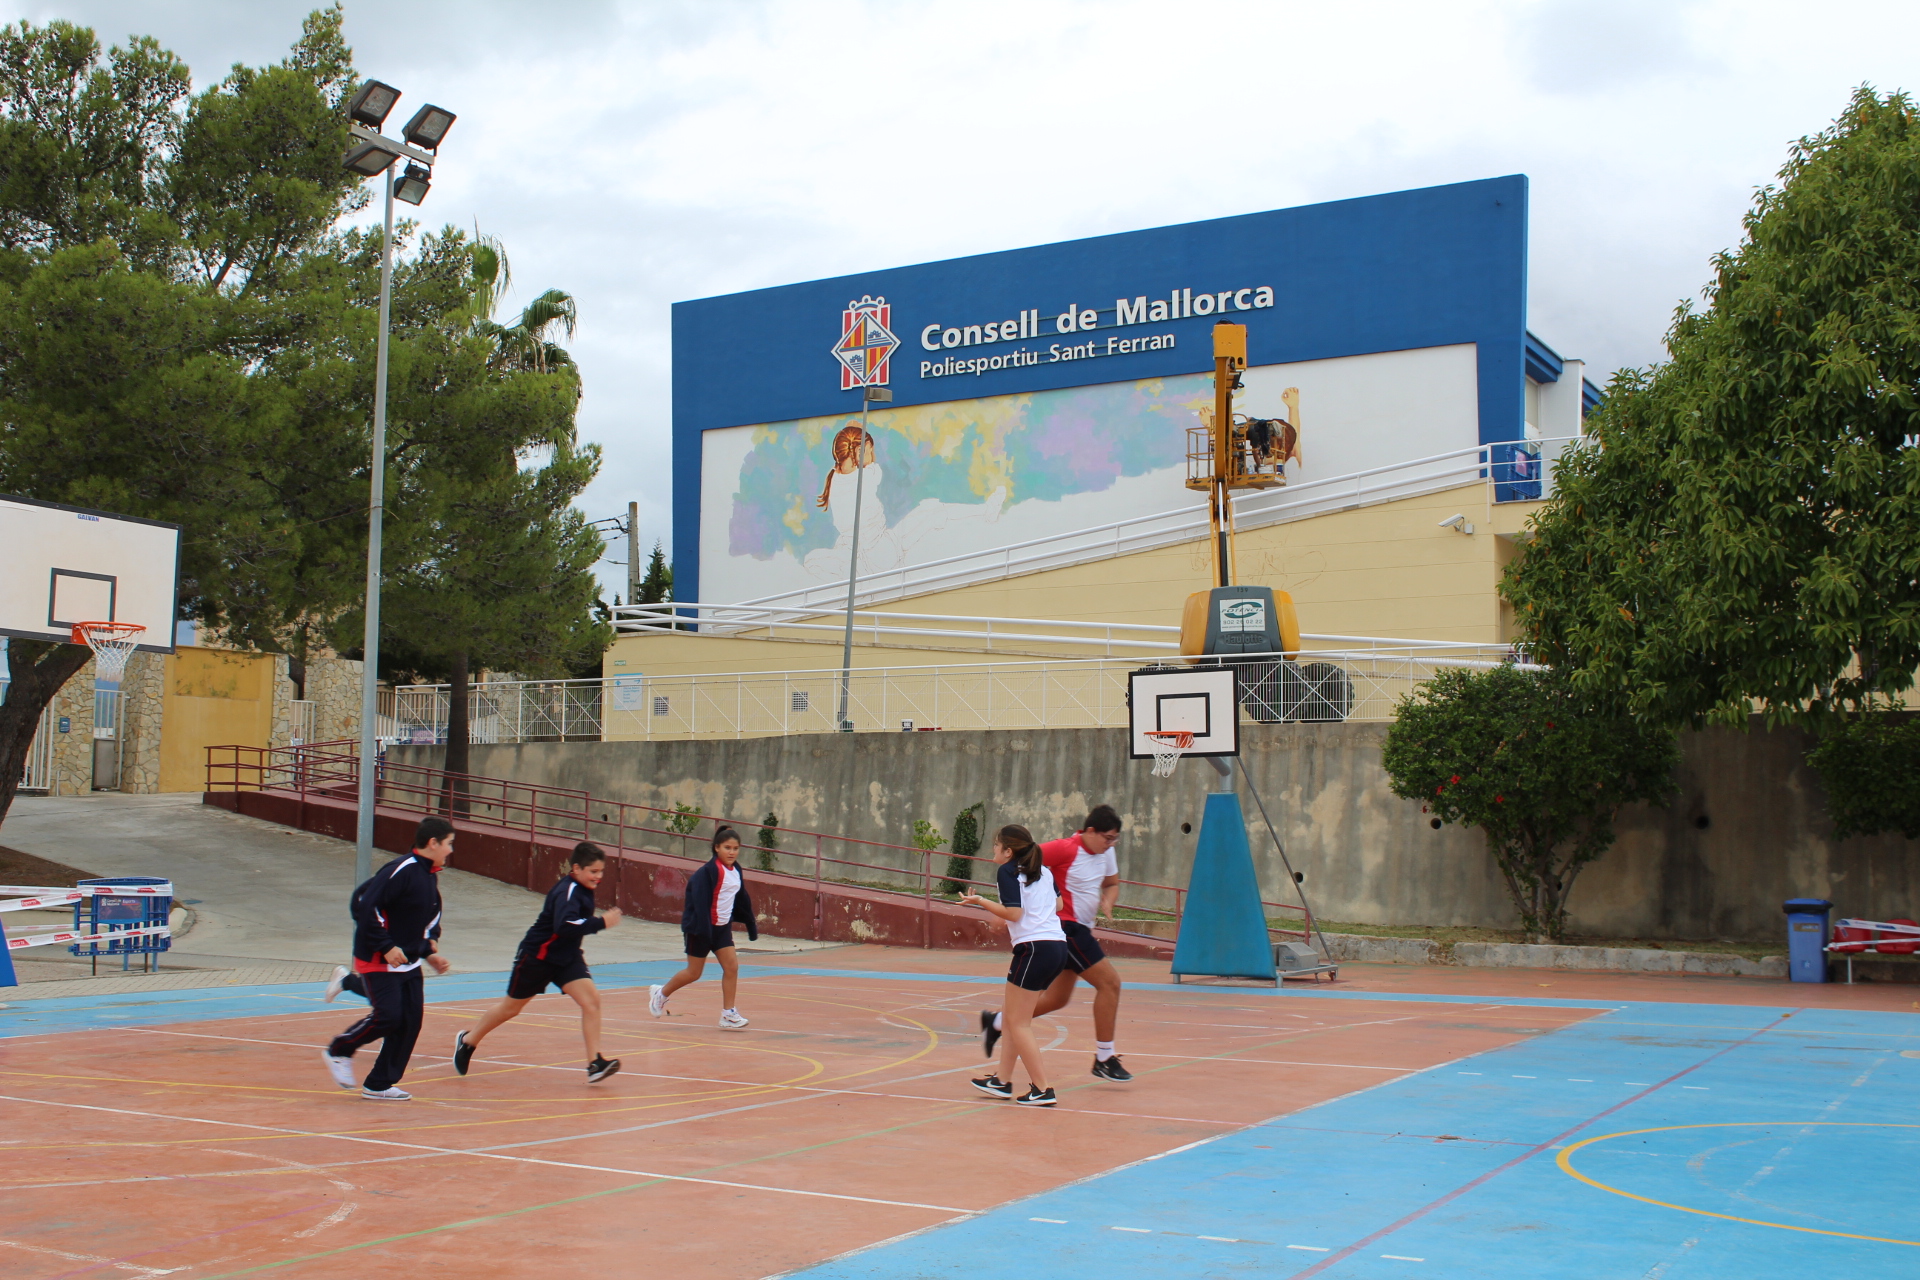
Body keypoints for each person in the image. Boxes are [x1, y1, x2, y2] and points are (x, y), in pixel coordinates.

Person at [981, 804, 1133, 1082]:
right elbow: (1022, 859)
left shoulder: (1106, 853)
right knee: (1110, 983)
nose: (1111, 844)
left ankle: (999, 1023)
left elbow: (1111, 883)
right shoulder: (1066, 848)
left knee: (1057, 999)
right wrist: (1004, 911)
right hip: (1066, 927)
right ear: (1090, 831)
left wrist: (1109, 900)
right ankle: (1104, 1057)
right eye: (1107, 838)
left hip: (1077, 931)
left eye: (1115, 839)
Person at [451, 842, 625, 1084]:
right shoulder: (567, 891)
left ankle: (595, 1063)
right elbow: (563, 926)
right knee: (510, 1009)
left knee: (592, 1001)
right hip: (537, 957)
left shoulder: (584, 888)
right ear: (576, 868)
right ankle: (468, 1041)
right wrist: (601, 923)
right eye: (593, 871)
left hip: (566, 957)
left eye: (601, 871)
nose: (598, 876)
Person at [321, 816, 453, 1101]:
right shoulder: (401, 869)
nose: (451, 850)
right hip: (377, 959)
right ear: (433, 843)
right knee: (388, 1016)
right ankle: (339, 1050)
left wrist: (431, 954)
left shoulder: (430, 877)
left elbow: (429, 922)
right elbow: (365, 903)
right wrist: (386, 946)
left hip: (408, 963)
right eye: (449, 843)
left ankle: (379, 1083)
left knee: (410, 1021)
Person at [960, 824, 1064, 1107]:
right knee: (1011, 1017)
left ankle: (1042, 1089)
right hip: (1057, 948)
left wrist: (981, 901)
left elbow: (1015, 914)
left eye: (996, 845)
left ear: (1008, 851)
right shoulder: (1044, 872)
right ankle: (1001, 1081)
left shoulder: (1007, 871)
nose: (993, 849)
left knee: (1018, 1023)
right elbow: (1059, 905)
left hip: (1033, 950)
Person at [649, 826, 757, 1028]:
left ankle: (728, 1014)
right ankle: (660, 993)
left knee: (732, 967)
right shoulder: (706, 873)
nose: (732, 852)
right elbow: (696, 901)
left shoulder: (736, 871)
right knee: (694, 972)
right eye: (727, 847)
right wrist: (702, 929)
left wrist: (750, 923)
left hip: (721, 929)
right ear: (717, 848)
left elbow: (741, 898)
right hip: (700, 928)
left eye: (735, 848)